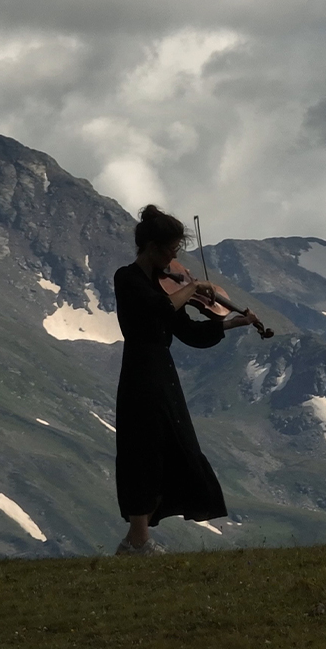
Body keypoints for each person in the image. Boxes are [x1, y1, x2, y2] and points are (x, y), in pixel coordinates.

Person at [112, 205, 261, 556]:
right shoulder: (128, 279)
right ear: (152, 248)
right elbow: (161, 311)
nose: (176, 258)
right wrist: (192, 286)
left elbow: (191, 333)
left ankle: (137, 542)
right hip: (140, 374)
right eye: (172, 250)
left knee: (172, 449)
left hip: (162, 374)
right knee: (143, 452)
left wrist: (229, 323)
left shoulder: (163, 286)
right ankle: (138, 541)